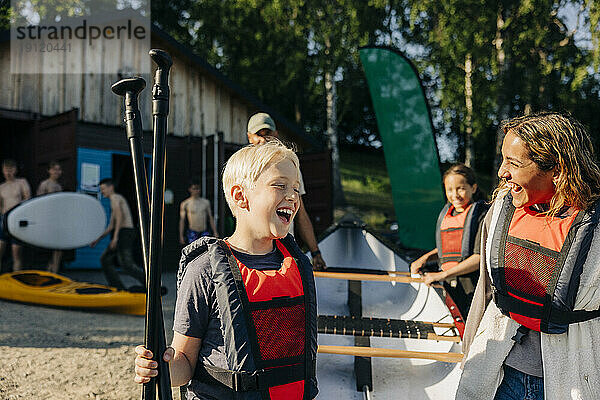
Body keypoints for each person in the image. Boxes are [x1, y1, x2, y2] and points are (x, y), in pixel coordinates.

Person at [134, 139, 318, 399]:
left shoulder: (297, 266)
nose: (292, 196)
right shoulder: (205, 269)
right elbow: (184, 362)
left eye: (296, 188)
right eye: (280, 185)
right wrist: (158, 369)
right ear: (240, 196)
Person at [456, 112, 600, 400]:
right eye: (503, 159)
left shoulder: (594, 227)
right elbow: (485, 291)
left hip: (571, 379)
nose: (501, 172)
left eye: (514, 163)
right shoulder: (499, 211)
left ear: (558, 170)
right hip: (501, 373)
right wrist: (468, 355)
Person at [246, 112, 326, 269]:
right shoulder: (243, 169)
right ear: (250, 137)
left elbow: (301, 214)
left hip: (285, 253)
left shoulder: (289, 167)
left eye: (267, 133)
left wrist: (315, 252)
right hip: (253, 253)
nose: (263, 139)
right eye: (258, 135)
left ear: (275, 135)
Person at [410, 163, 488, 315]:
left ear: (473, 188)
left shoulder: (482, 215)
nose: (455, 195)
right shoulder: (447, 213)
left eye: (461, 188)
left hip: (472, 286)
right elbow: (449, 247)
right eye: (450, 190)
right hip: (449, 285)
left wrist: (442, 275)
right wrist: (425, 258)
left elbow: (479, 257)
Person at [90, 178, 146, 291]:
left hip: (125, 232)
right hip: (123, 232)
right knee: (106, 259)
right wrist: (98, 239)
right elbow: (111, 225)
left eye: (103, 189)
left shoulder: (115, 198)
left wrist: (115, 238)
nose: (102, 192)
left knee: (126, 264)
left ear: (111, 187)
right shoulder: (114, 200)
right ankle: (117, 287)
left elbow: (120, 218)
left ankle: (150, 285)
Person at [0, 159, 31, 271]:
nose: (9, 172)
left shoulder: (22, 182)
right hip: (3, 220)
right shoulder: (1, 187)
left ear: (15, 170)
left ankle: (16, 281)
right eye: (6, 170)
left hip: (17, 220)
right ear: (3, 171)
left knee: (16, 254)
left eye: (11, 169)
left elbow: (28, 199)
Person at [36, 160, 63, 273]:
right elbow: (38, 202)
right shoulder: (45, 184)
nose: (57, 172)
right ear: (49, 171)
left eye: (59, 169)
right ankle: (49, 272)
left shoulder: (59, 186)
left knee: (59, 248)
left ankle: (54, 272)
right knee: (52, 247)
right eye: (54, 169)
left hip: (57, 219)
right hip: (47, 219)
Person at [179, 179, 218, 245]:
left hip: (204, 232)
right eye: (194, 189)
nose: (196, 191)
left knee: (205, 253)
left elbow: (210, 218)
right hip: (192, 232)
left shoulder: (205, 202)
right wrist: (181, 236)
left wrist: (215, 231)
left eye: (197, 189)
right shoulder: (186, 203)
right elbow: (182, 220)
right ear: (190, 189)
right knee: (193, 252)